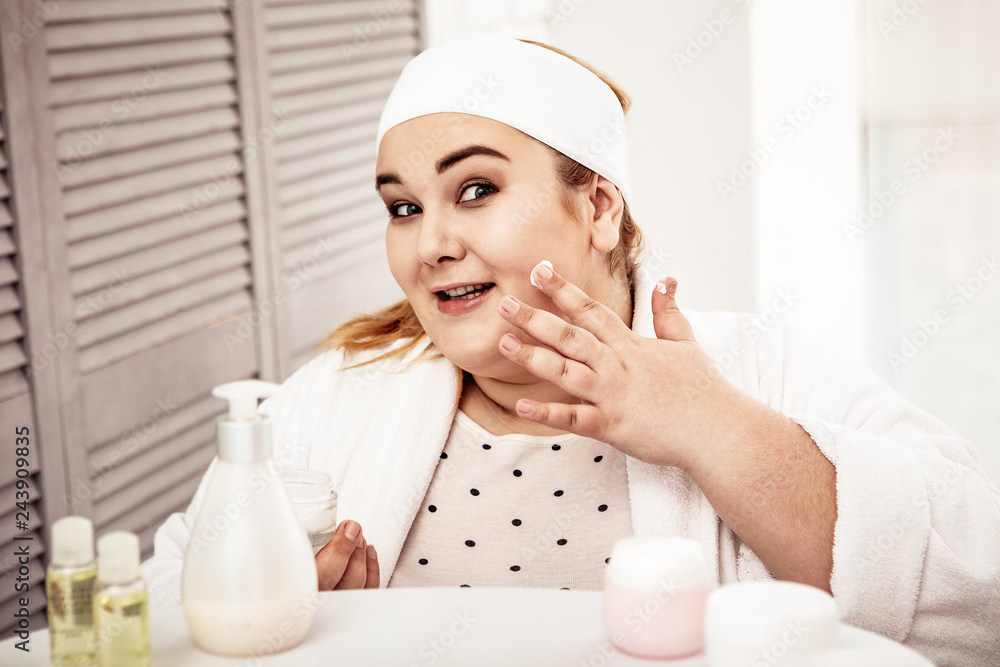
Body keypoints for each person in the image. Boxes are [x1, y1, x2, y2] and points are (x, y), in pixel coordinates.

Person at [142, 35, 1000, 665]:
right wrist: (278, 624)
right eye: (403, 206)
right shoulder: (336, 396)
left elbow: (977, 599)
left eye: (475, 189)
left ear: (599, 208)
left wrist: (710, 428)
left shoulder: (759, 368)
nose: (429, 244)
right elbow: (153, 612)